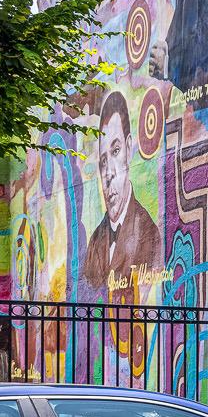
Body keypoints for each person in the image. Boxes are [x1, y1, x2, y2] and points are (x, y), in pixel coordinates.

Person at [81, 89, 161, 289]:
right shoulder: (94, 242)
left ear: (129, 148)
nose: (108, 173)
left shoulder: (149, 234)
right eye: (103, 161)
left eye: (115, 151)